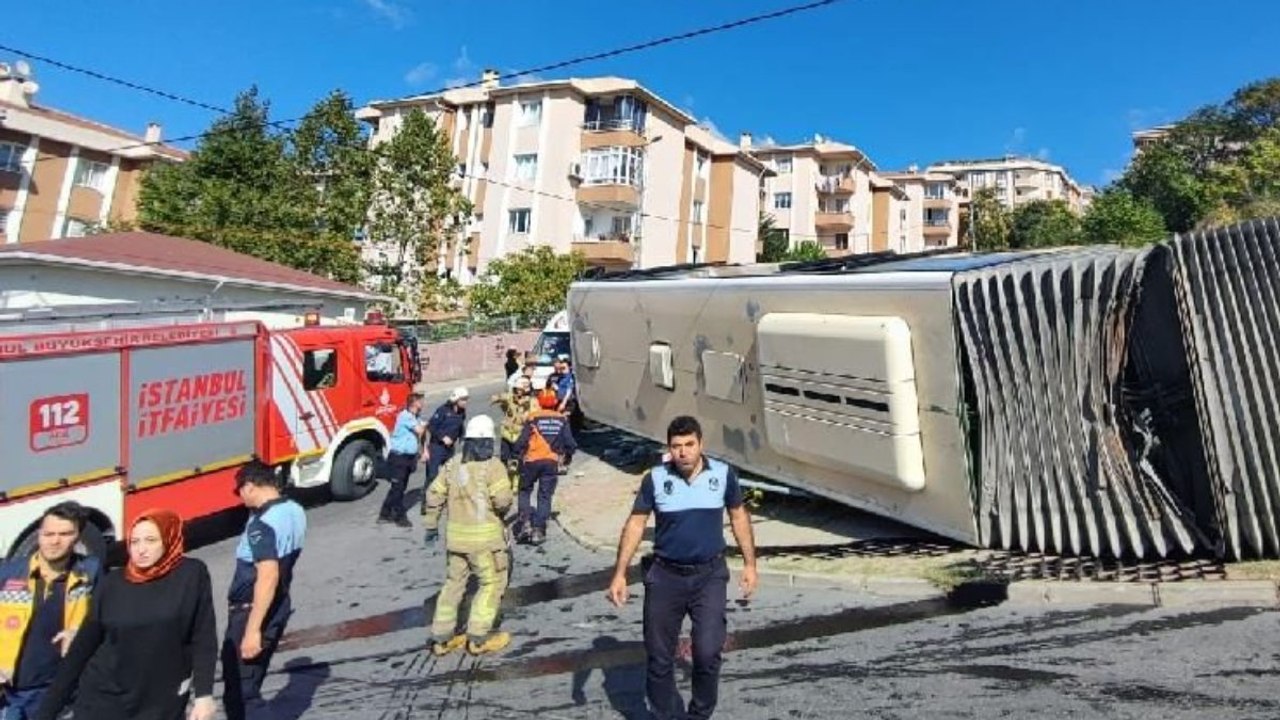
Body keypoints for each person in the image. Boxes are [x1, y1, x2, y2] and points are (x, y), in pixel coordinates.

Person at [606, 415, 758, 720]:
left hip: (709, 576)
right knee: (660, 658)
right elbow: (636, 524)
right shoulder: (656, 478)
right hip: (665, 577)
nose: (684, 452)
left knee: (707, 652)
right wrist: (620, 573)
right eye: (677, 446)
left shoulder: (723, 475)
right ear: (669, 448)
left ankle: (699, 714)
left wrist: (750, 564)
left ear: (701, 444)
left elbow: (739, 516)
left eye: (690, 444)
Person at [33, 509, 217, 720]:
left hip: (161, 700)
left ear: (169, 539)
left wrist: (204, 695)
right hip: (104, 699)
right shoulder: (113, 582)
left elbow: (203, 637)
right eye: (135, 541)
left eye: (150, 540)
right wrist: (46, 712)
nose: (141, 549)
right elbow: (82, 649)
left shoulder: (191, 574)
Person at [422, 415, 514, 656]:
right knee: (490, 584)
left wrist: (431, 526)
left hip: (455, 541)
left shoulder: (453, 465)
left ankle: (441, 638)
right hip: (484, 543)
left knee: (453, 585)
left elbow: (433, 495)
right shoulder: (493, 467)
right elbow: (503, 501)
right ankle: (478, 637)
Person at [222, 461, 306, 720]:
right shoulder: (295, 510)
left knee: (243, 692)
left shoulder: (262, 524)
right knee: (249, 684)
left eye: (239, 492)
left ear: (249, 486)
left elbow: (267, 575)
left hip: (252, 611)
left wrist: (252, 630)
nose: (240, 498)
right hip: (279, 605)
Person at [0, 503, 99, 720]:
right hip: (10, 693)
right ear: (39, 534)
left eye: (65, 534)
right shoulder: (9, 574)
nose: (55, 541)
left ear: (78, 537)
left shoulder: (90, 574)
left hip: (60, 693)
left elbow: (106, 620)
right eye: (48, 533)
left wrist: (79, 634)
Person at [511, 390, 577, 546]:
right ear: (555, 402)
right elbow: (571, 444)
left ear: (540, 402)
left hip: (531, 460)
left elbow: (521, 441)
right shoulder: (562, 419)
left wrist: (516, 456)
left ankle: (525, 522)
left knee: (525, 490)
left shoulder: (533, 417)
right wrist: (566, 457)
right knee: (545, 496)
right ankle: (538, 530)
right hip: (551, 462)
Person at [378, 392, 426, 528]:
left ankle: (384, 513)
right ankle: (399, 517)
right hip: (399, 458)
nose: (423, 403)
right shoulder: (405, 416)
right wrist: (426, 426)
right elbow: (420, 430)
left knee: (398, 488)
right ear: (415, 403)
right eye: (421, 401)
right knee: (398, 488)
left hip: (408, 458)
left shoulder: (414, 416)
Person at [421, 387, 469, 505]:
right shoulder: (442, 410)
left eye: (466, 399)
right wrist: (443, 437)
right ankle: (426, 503)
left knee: (450, 475)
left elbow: (460, 426)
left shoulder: (462, 412)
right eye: (463, 399)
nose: (465, 402)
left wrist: (462, 438)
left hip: (449, 449)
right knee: (432, 476)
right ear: (456, 400)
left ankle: (446, 500)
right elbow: (431, 426)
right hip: (436, 447)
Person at [492, 376, 537, 487]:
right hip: (507, 433)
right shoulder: (511, 398)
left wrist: (526, 411)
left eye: (520, 390)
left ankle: (516, 483)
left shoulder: (532, 402)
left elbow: (533, 417)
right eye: (516, 389)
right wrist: (499, 399)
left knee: (517, 460)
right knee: (504, 458)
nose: (517, 392)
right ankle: (506, 481)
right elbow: (499, 398)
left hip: (520, 435)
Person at [547, 356, 583, 432]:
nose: (562, 370)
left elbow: (569, 391)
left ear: (569, 367)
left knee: (565, 419)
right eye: (561, 368)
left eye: (564, 368)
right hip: (559, 401)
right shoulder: (560, 377)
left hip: (568, 402)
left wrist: (564, 402)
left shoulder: (570, 377)